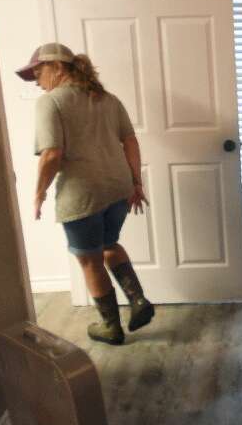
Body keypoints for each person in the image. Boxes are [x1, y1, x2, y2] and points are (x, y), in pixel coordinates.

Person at [17, 42, 155, 344]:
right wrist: (136, 183)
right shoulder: (107, 99)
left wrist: (38, 193)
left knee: (89, 260)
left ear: (58, 67)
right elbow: (130, 141)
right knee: (108, 243)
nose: (38, 83)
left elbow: (51, 154)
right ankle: (139, 300)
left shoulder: (51, 103)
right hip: (118, 188)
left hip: (83, 195)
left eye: (38, 73)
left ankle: (110, 327)